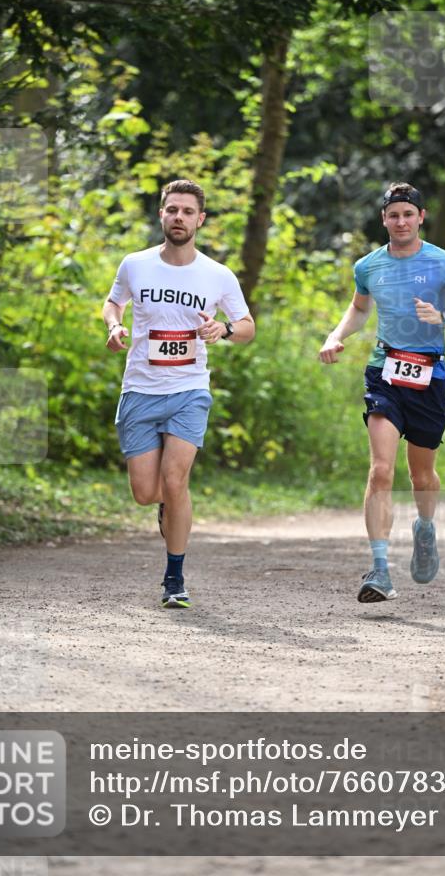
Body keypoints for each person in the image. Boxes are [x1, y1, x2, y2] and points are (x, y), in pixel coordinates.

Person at [319, 181, 445, 603]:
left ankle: (424, 529)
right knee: (381, 470)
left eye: (408, 214)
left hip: (429, 377)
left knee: (421, 475)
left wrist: (442, 318)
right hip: (384, 370)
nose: (401, 221)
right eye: (393, 215)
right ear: (384, 220)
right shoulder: (368, 266)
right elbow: (358, 307)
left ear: (421, 217)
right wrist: (336, 336)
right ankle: (379, 568)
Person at [103, 179, 255, 608]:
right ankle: (167, 508)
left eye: (188, 212)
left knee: (176, 480)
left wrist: (223, 329)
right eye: (172, 210)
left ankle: (174, 578)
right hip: (140, 389)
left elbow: (247, 327)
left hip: (189, 391)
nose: (179, 218)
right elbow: (113, 302)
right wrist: (114, 324)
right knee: (147, 492)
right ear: (161, 214)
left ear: (200, 220)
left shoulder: (217, 274)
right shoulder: (135, 264)